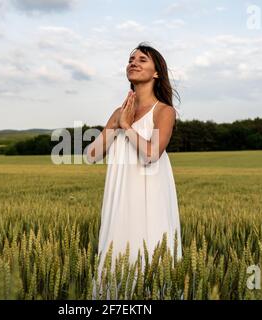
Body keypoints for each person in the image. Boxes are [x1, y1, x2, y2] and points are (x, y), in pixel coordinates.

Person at [86, 42, 182, 299]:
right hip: (120, 194)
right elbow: (91, 155)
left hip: (149, 192)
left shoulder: (164, 111)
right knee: (118, 250)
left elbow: (152, 154)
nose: (134, 62)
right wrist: (118, 124)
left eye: (142, 59)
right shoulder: (119, 112)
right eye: (131, 59)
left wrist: (126, 126)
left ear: (156, 73)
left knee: (150, 247)